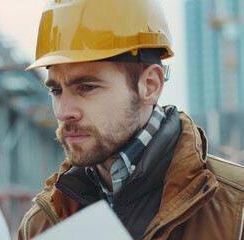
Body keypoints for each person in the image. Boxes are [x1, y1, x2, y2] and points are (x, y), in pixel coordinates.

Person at [17, 0, 244, 239]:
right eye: (56, 91)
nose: (63, 112)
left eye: (87, 87)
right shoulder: (42, 224)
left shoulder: (237, 211)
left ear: (150, 85)